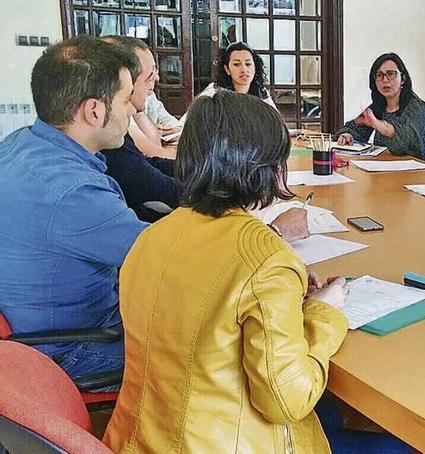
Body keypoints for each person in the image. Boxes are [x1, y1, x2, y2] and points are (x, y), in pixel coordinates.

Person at [103, 90, 415, 454]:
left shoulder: (153, 235)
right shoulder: (264, 255)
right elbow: (287, 402)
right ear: (266, 167)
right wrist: (325, 313)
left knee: (333, 414)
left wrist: (286, 300)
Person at [0, 36, 145, 381]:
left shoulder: (21, 143)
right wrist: (267, 233)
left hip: (30, 328)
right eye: (126, 99)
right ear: (94, 110)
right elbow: (173, 256)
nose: (134, 109)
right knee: (210, 339)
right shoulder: (74, 193)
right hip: (72, 347)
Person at [101, 36, 182, 220]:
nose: (157, 78)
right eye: (150, 74)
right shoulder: (106, 132)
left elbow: (146, 164)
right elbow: (151, 184)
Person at [336, 52, 425, 164]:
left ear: (403, 79)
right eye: (379, 75)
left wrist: (380, 125)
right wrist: (347, 135)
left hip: (422, 173)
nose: (385, 80)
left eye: (391, 74)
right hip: (386, 171)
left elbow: (404, 142)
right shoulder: (378, 107)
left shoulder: (418, 108)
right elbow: (354, 128)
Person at [191, 41, 277, 111]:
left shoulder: (261, 92)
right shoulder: (213, 92)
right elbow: (188, 122)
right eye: (236, 64)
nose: (244, 69)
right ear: (227, 69)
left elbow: (276, 122)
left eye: (248, 64)